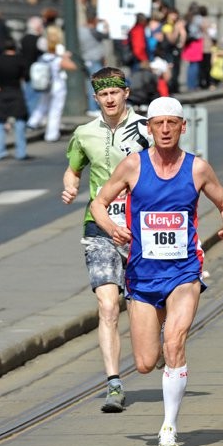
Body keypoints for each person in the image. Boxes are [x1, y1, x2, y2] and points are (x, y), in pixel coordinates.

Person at [90, 96, 223, 446]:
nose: (166, 129)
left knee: (174, 342)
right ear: (149, 128)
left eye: (173, 123)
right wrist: (112, 227)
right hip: (142, 275)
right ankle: (160, 340)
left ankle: (168, 428)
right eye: (159, 124)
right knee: (144, 363)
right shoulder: (132, 166)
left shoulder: (197, 168)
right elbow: (97, 202)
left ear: (183, 127)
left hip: (184, 270)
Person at [62, 67, 151, 412]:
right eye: (103, 94)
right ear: (96, 97)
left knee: (150, 303)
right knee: (108, 306)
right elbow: (74, 168)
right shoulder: (85, 133)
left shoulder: (147, 128)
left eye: (115, 92)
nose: (110, 99)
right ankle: (114, 383)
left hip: (143, 227)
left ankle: (155, 346)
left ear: (126, 92)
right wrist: (70, 185)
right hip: (99, 226)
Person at [0, 39, 29, 160]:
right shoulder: (20, 60)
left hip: (2, 92)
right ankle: (21, 152)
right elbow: (27, 77)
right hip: (16, 92)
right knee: (19, 121)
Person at [29, 34, 78, 142]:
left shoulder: (42, 57)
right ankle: (51, 134)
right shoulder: (57, 59)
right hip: (57, 86)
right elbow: (73, 66)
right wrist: (65, 57)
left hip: (45, 86)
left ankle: (32, 122)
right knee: (55, 110)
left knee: (42, 104)